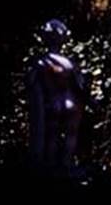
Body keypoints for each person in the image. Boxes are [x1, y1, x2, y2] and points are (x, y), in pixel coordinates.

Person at [26, 19, 85, 173]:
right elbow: (79, 85)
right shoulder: (68, 63)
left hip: (52, 103)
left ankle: (51, 163)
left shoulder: (41, 62)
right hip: (70, 103)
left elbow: (30, 81)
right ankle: (66, 162)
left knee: (52, 134)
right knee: (70, 134)